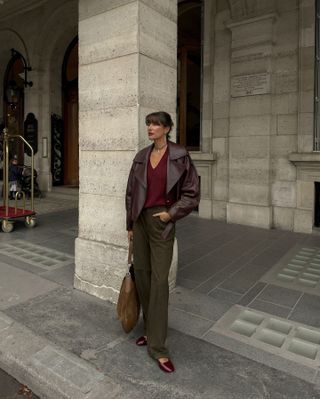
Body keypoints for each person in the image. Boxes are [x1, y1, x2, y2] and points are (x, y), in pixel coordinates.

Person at [125, 111, 200, 373]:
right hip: (140, 222)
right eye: (148, 123)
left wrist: (171, 214)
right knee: (143, 277)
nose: (150, 128)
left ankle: (158, 347)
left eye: (155, 124)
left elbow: (192, 194)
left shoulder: (180, 156)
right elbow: (131, 192)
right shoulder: (141, 157)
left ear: (167, 128)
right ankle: (150, 329)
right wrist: (130, 225)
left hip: (162, 221)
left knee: (159, 281)